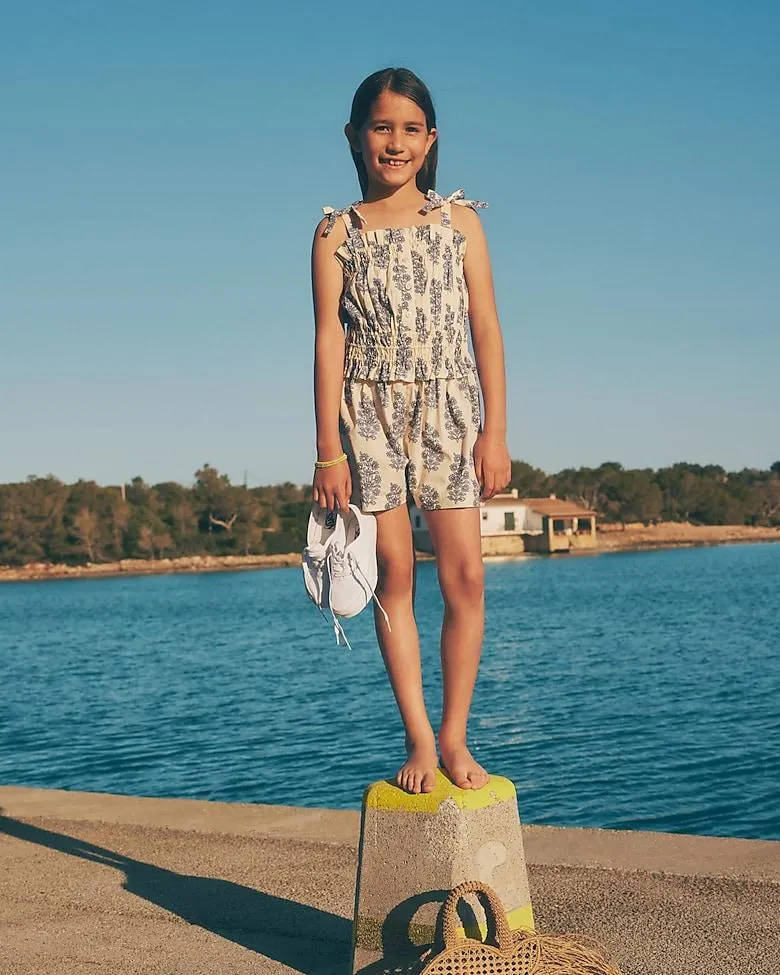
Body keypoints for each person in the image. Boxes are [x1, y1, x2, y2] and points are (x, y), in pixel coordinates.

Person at [310, 67, 511, 795]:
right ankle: (419, 737)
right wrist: (327, 449)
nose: (395, 142)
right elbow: (327, 342)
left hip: (451, 409)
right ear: (355, 136)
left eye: (410, 129)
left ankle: (456, 734)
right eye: (381, 126)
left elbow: (485, 326)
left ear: (431, 141)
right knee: (396, 576)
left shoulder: (459, 222)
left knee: (465, 575)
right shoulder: (336, 231)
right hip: (365, 416)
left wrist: (495, 429)